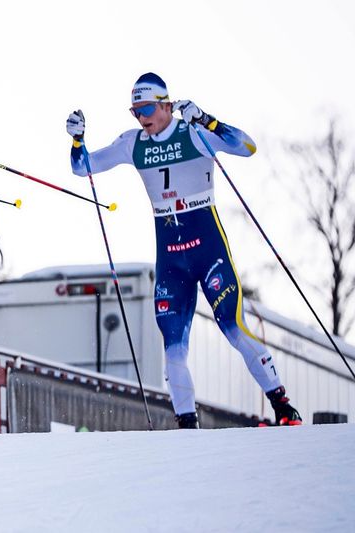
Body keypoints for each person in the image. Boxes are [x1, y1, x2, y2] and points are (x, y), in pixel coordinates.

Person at [65, 73, 301, 428]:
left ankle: (283, 406)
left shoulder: (193, 132)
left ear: (166, 105)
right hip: (171, 258)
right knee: (172, 343)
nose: (141, 117)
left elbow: (247, 147)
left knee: (234, 327)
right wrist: (77, 139)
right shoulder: (133, 143)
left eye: (146, 108)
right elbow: (83, 168)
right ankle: (186, 425)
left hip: (208, 250)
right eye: (135, 111)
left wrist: (209, 120)